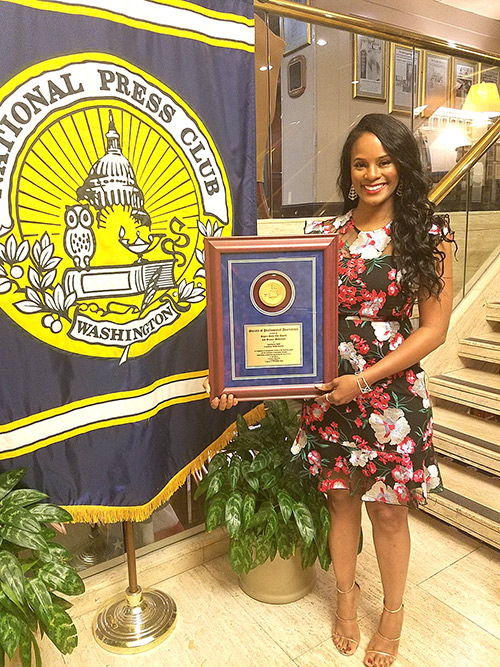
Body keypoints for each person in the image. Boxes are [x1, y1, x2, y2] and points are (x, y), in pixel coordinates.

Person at [207, 113, 454, 667]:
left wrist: (363, 379)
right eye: (360, 163)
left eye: (384, 162)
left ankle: (392, 614)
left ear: (401, 166)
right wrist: (235, 376)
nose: (372, 174)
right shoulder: (322, 235)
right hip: (327, 394)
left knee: (388, 513)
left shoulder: (428, 234)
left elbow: (434, 328)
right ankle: (347, 598)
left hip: (391, 398)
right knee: (341, 501)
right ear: (348, 171)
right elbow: (276, 314)